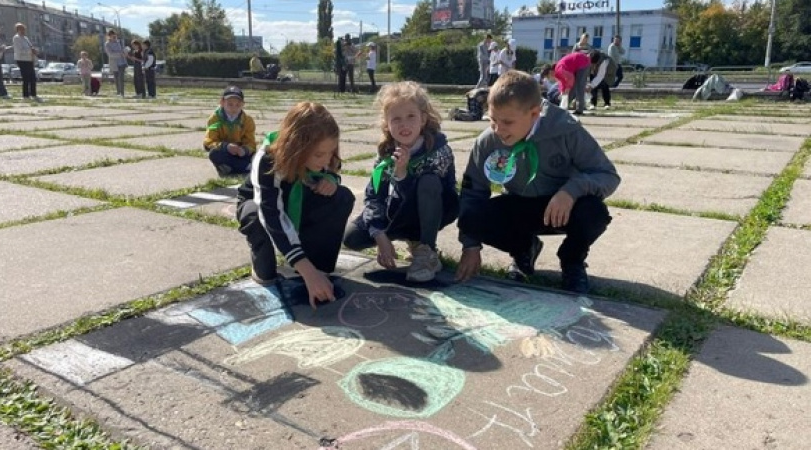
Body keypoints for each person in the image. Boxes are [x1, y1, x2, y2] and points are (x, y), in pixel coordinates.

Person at [454, 70, 619, 294]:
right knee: (471, 218)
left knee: (594, 213)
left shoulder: (567, 131)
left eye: (507, 122)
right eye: (493, 120)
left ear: (534, 114)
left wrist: (571, 191)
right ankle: (524, 249)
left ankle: (572, 261)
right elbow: (473, 192)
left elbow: (607, 174)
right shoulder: (488, 141)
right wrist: (470, 246)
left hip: (562, 208)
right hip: (520, 206)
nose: (498, 129)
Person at [236, 102, 355, 308]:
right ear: (296, 147)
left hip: (299, 202)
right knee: (255, 216)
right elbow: (271, 213)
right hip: (261, 206)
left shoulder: (325, 157)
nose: (326, 160)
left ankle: (318, 263)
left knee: (342, 196)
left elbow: (332, 169)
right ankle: (263, 256)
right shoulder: (267, 160)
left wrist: (331, 180)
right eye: (319, 154)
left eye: (330, 152)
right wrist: (304, 268)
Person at [344, 81, 459, 282]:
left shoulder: (438, 150)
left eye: (411, 117)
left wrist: (402, 174)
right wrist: (379, 235)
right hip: (396, 212)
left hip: (431, 212)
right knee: (351, 237)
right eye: (396, 119)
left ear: (423, 119)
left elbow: (433, 195)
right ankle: (411, 240)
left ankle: (426, 251)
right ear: (386, 124)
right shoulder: (385, 154)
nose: (404, 125)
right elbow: (373, 196)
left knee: (429, 182)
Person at [204, 86, 257, 177]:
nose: (234, 108)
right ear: (222, 103)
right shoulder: (215, 119)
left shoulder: (247, 120)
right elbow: (209, 142)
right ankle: (244, 167)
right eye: (230, 104)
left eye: (238, 105)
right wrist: (226, 146)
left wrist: (244, 150)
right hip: (225, 151)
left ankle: (233, 167)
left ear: (243, 104)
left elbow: (251, 142)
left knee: (257, 155)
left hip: (240, 152)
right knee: (214, 154)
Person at [554, 50, 591, 115]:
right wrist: (562, 91)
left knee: (579, 86)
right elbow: (562, 83)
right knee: (571, 88)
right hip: (578, 61)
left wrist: (568, 88)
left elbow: (571, 78)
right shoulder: (558, 73)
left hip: (582, 62)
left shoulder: (559, 70)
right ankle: (564, 107)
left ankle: (579, 109)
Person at [12, 22, 40, 101]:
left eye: (24, 29)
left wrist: (34, 50)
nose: (24, 31)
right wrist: (30, 51)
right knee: (26, 78)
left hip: (29, 59)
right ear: (18, 30)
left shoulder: (26, 38)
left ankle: (34, 94)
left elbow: (31, 47)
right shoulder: (16, 38)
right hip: (22, 60)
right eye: (22, 29)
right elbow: (19, 50)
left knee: (32, 78)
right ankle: (25, 96)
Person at [104, 30, 127, 97]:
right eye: (112, 35)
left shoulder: (119, 42)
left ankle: (122, 93)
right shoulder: (107, 44)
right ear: (109, 36)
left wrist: (125, 52)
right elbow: (110, 54)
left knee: (121, 78)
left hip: (122, 62)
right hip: (114, 63)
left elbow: (123, 50)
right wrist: (120, 54)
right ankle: (118, 92)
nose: (114, 36)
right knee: (116, 78)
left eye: (115, 35)